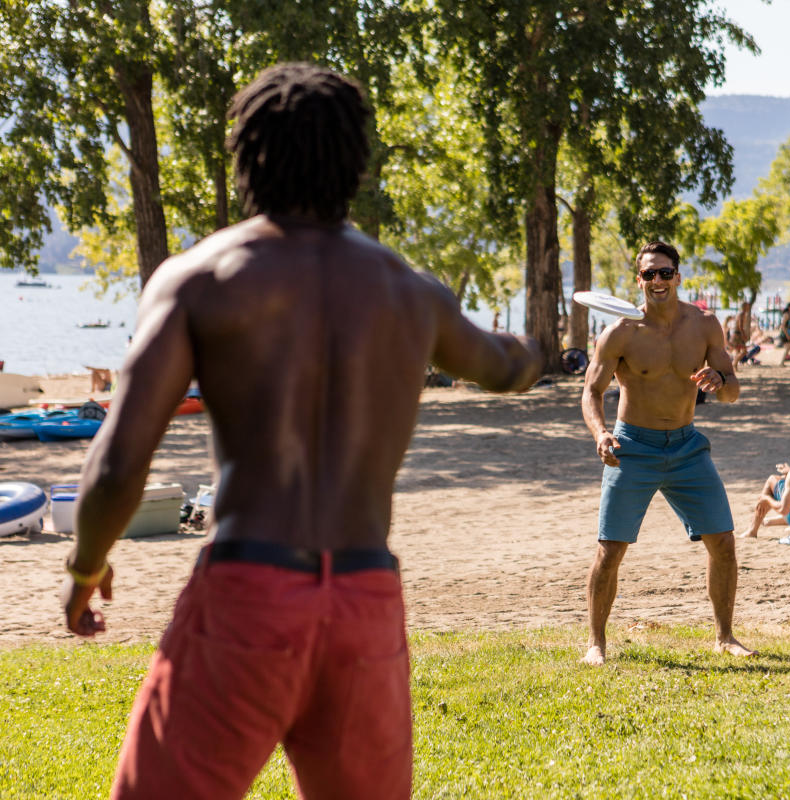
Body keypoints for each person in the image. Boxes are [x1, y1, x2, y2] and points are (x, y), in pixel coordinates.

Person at [60, 63, 542, 800]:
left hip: (249, 593)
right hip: (365, 603)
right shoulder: (410, 294)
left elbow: (118, 466)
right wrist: (534, 352)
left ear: (247, 154)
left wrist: (86, 568)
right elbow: (504, 368)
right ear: (355, 162)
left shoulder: (203, 279)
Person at [581, 240, 754, 666]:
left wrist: (719, 380)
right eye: (648, 274)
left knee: (724, 543)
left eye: (664, 272)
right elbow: (591, 391)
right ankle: (596, 645)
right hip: (631, 448)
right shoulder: (619, 332)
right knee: (610, 548)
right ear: (638, 280)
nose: (656, 281)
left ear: (678, 276)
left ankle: (725, 637)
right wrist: (601, 433)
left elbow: (733, 391)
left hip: (687, 447)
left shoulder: (704, 325)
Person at [734, 301, 761, 365]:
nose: (748, 308)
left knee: (738, 350)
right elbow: (740, 326)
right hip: (738, 334)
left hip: (737, 333)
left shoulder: (741, 314)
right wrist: (743, 335)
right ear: (744, 307)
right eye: (747, 307)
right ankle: (734, 363)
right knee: (744, 351)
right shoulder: (742, 314)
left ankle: (735, 365)